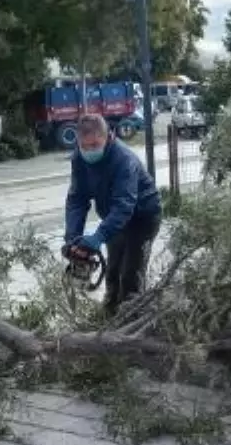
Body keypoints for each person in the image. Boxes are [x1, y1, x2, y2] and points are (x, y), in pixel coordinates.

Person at [64, 113, 162, 315]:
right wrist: (73, 237)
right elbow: (77, 199)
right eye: (84, 146)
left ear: (108, 136)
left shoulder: (123, 160)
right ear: (78, 142)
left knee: (130, 275)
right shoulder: (79, 158)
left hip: (142, 218)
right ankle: (109, 317)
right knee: (113, 271)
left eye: (94, 145)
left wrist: (98, 236)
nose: (89, 151)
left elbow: (124, 206)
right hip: (113, 218)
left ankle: (132, 319)